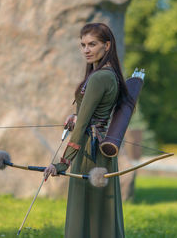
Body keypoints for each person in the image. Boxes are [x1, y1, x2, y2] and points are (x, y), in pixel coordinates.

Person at [44, 23, 133, 238]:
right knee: (100, 214)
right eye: (83, 45)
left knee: (87, 214)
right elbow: (91, 115)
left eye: (92, 44)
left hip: (89, 154)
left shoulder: (100, 77)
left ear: (107, 45)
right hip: (100, 152)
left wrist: (62, 163)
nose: (86, 50)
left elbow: (83, 124)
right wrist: (76, 116)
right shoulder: (107, 74)